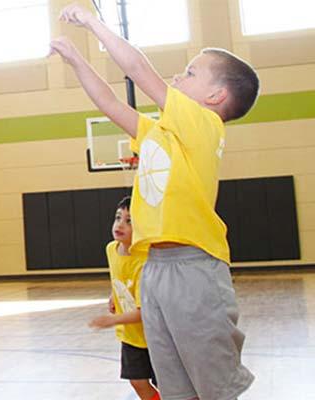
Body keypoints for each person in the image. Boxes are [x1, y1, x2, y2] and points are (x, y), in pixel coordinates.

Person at [51, 3, 260, 398]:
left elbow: (139, 70)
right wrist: (76, 59)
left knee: (213, 386)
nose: (179, 75)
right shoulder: (161, 133)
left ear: (216, 95)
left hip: (194, 269)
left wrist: (94, 24)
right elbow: (111, 105)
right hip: (156, 268)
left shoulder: (203, 125)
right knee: (175, 385)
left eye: (191, 72)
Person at [88, 197, 157, 400]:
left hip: (155, 336)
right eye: (118, 218)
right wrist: (114, 294)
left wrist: (112, 320)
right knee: (137, 381)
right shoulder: (112, 249)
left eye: (129, 221)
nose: (120, 224)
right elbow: (119, 276)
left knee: (168, 384)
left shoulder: (145, 261)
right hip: (131, 336)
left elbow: (144, 312)